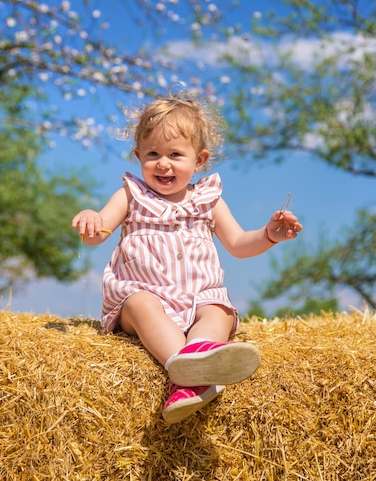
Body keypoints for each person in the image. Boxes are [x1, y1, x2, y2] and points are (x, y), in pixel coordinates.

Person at [71, 93, 303, 424]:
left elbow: (238, 243)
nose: (163, 163)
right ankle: (183, 365)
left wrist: (269, 234)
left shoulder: (209, 200)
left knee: (219, 310)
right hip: (142, 298)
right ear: (138, 157)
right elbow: (99, 233)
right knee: (139, 303)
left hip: (198, 300)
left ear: (200, 160)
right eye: (152, 154)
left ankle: (194, 369)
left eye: (175, 154)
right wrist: (91, 219)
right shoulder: (131, 196)